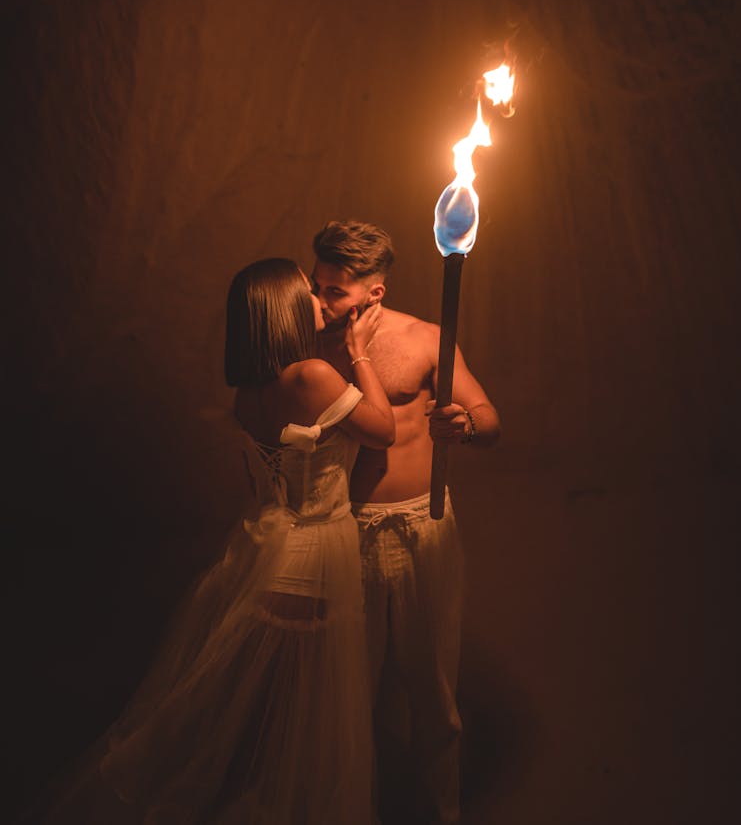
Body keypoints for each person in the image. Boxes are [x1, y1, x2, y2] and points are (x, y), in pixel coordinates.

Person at [36, 258, 394, 825]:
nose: (319, 302)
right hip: (313, 553)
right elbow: (384, 428)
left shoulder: (250, 390)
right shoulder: (311, 376)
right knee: (306, 722)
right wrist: (359, 351)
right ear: (282, 308)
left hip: (270, 548)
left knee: (268, 717)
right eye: (307, 292)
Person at [312, 221, 501, 825]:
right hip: (346, 528)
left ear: (374, 292)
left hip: (424, 522)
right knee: (345, 695)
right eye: (317, 285)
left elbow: (488, 418)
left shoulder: (425, 339)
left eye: (334, 291)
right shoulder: (309, 343)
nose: (320, 300)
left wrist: (463, 426)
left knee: (433, 689)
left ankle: (440, 812)